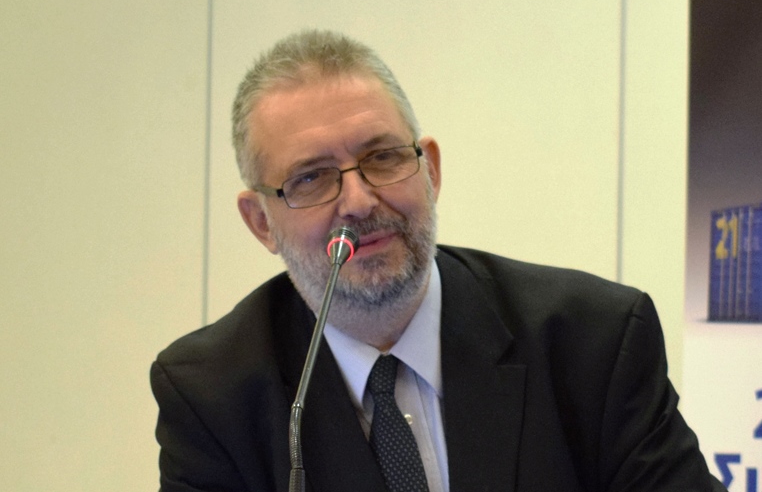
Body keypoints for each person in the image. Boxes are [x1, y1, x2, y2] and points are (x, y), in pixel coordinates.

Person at [150, 29, 725, 492]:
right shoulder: (214, 393)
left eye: (382, 157)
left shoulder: (593, 341)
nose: (359, 201)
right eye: (312, 178)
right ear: (260, 222)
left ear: (431, 171)